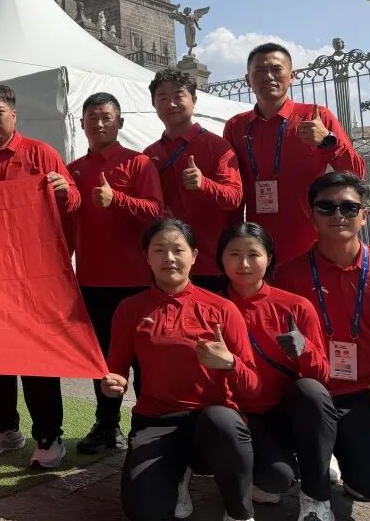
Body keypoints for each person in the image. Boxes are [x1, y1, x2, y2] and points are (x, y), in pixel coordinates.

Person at [0, 83, 80, 469]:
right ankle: (5, 428)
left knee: (36, 356)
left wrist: (64, 190)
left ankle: (49, 435)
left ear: (13, 115)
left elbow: (74, 201)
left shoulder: (40, 153)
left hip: (33, 276)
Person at [102, 219, 260, 521]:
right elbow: (116, 369)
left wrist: (229, 363)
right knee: (143, 511)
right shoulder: (129, 309)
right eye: (159, 250)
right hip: (156, 422)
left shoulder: (223, 309)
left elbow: (253, 386)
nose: (169, 258)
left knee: (225, 424)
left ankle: (239, 512)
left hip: (211, 422)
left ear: (194, 255)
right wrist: (112, 384)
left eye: (178, 249)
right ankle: (175, 474)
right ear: (147, 256)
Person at [274, 172, 370, 503]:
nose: (338, 215)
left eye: (349, 207)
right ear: (311, 215)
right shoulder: (288, 277)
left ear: (364, 215)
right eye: (326, 207)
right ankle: (328, 453)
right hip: (323, 396)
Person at [66, 92, 164, 455]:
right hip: (92, 282)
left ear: (119, 122)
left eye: (106, 117)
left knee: (144, 359)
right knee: (104, 361)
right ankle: (107, 425)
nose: (99, 123)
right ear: (82, 124)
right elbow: (66, 224)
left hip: (137, 283)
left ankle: (148, 428)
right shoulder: (73, 169)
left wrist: (118, 199)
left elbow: (156, 212)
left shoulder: (139, 163)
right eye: (92, 117)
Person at [217, 222, 335, 520]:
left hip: (286, 413)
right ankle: (252, 472)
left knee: (312, 392)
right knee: (277, 480)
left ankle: (316, 496)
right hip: (242, 416)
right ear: (221, 258)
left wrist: (304, 349)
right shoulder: (211, 308)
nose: (244, 264)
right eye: (234, 254)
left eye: (253, 254)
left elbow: (323, 378)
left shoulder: (297, 307)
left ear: (269, 258)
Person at [223, 43, 365, 265]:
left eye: (276, 69)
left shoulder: (316, 117)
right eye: (260, 71)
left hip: (311, 244)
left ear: (292, 76)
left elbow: (356, 173)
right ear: (247, 80)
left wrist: (328, 141)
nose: (268, 76)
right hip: (258, 246)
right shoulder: (236, 126)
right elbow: (233, 187)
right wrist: (232, 239)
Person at [144, 69, 242, 292]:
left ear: (194, 100)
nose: (171, 104)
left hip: (209, 264)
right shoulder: (149, 154)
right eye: (162, 98)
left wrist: (204, 184)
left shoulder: (217, 146)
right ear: (154, 104)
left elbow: (235, 198)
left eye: (178, 96)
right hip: (166, 265)